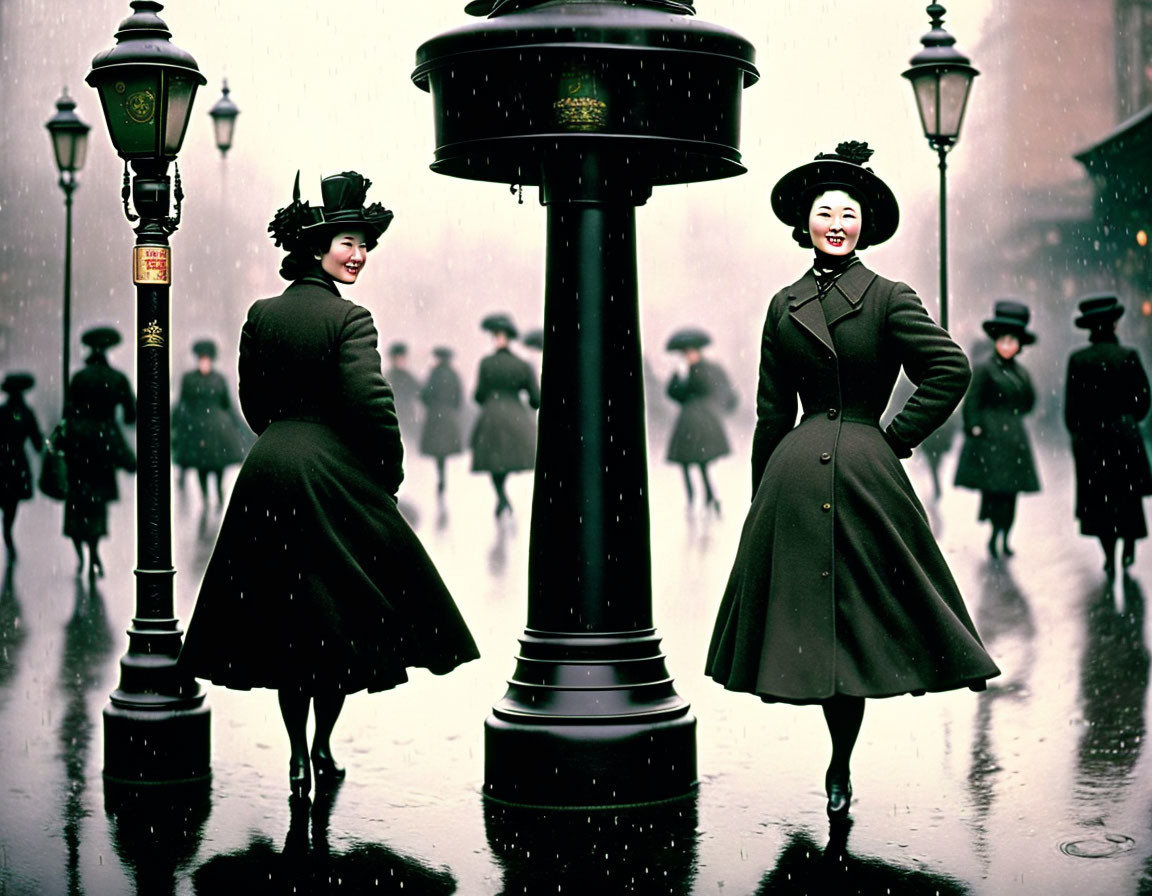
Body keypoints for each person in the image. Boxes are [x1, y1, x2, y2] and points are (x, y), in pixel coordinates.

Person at [705, 141, 999, 820]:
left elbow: (950, 369)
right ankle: (836, 753)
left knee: (867, 620)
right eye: (824, 212)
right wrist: (760, 503)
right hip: (796, 487)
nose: (836, 223)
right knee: (814, 630)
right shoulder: (782, 307)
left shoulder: (891, 298)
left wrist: (893, 437)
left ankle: (842, 760)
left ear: (863, 224)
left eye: (848, 213)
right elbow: (770, 412)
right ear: (803, 224)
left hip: (867, 479)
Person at [179, 171, 479, 800]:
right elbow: (373, 405)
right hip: (330, 473)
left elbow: (252, 401)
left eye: (364, 247)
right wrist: (382, 475)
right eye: (349, 242)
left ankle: (295, 755)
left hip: (268, 470)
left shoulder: (261, 315)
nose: (359, 255)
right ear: (317, 248)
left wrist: (285, 437)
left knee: (283, 620)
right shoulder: (351, 319)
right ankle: (320, 745)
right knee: (335, 621)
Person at [1064, 293, 1152, 576]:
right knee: (1127, 499)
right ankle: (1128, 548)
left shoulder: (1078, 360)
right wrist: (1127, 420)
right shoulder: (1128, 357)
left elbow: (1071, 409)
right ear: (1114, 325)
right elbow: (1143, 400)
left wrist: (1080, 433)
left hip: (1092, 441)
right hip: (1125, 438)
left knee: (1099, 503)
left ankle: (1109, 555)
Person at [954, 300, 1041, 559]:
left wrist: (1013, 415)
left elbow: (1029, 402)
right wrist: (975, 427)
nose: (1006, 346)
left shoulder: (1022, 373)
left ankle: (1005, 536)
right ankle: (994, 534)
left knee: (1011, 492)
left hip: (1013, 438)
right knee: (994, 491)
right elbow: (972, 402)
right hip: (990, 439)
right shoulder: (984, 368)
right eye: (1002, 341)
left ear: (1019, 345)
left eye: (1012, 342)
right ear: (995, 341)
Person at [62, 327, 136, 579]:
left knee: (77, 503)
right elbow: (130, 415)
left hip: (78, 447)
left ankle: (81, 554)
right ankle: (94, 550)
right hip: (104, 447)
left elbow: (68, 412)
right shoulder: (116, 378)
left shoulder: (78, 378)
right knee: (97, 503)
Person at [470, 313, 540, 518]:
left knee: (494, 462)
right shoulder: (522, 365)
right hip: (516, 417)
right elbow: (535, 398)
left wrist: (491, 400)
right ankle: (503, 499)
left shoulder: (486, 363)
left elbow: (479, 395)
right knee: (508, 460)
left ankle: (501, 498)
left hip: (492, 417)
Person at [664, 327, 737, 515]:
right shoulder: (683, 371)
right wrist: (679, 377)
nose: (688, 356)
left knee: (702, 461)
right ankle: (691, 498)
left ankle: (710, 497)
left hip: (704, 421)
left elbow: (716, 390)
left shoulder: (708, 369)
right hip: (688, 420)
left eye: (690, 352)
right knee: (685, 462)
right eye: (685, 353)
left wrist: (691, 373)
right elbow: (675, 394)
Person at [171, 339, 247, 509]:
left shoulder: (219, 379)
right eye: (201, 359)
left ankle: (219, 496)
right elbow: (182, 403)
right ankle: (205, 499)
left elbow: (227, 404)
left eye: (207, 360)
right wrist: (173, 423)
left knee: (218, 466)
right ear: (198, 360)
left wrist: (243, 427)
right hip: (197, 431)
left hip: (218, 431)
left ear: (211, 360)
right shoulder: (189, 379)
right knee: (201, 467)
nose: (204, 363)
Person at [0, 373, 43, 561]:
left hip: (1, 461)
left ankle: (7, 534)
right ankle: (7, 533)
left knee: (5, 501)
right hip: (17, 464)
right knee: (11, 505)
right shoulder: (27, 413)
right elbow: (37, 443)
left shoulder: (1, 411)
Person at [419, 346, 464, 496]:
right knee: (444, 449)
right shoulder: (454, 375)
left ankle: (441, 477)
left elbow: (424, 395)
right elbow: (459, 398)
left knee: (438, 450)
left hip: (435, 416)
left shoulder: (434, 374)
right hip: (449, 416)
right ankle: (442, 476)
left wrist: (432, 405)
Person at [385, 341, 422, 452]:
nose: (401, 361)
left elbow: (419, 391)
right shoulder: (388, 375)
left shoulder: (408, 376)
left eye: (403, 358)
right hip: (392, 411)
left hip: (406, 412)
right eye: (398, 359)